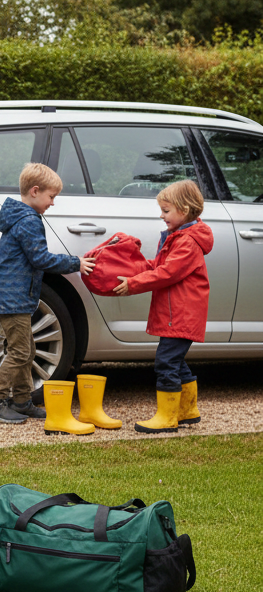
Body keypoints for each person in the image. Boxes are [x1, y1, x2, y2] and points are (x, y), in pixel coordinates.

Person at [0, 162, 96, 424]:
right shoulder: (29, 220)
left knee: (26, 350)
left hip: (13, 297)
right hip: (13, 299)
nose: (53, 203)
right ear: (35, 191)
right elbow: (40, 259)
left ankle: (22, 401)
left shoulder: (19, 217)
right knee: (21, 352)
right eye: (51, 196)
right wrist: (75, 263)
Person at [113, 179, 211, 432]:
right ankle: (188, 411)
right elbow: (158, 266)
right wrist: (130, 269)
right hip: (177, 313)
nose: (161, 215)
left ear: (185, 209)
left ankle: (167, 417)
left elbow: (167, 273)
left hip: (181, 314)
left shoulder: (187, 242)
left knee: (166, 362)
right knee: (175, 361)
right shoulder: (177, 238)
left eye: (166, 211)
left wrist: (134, 284)